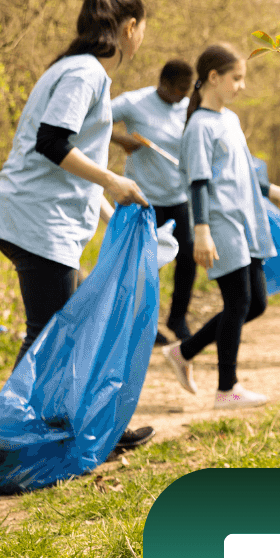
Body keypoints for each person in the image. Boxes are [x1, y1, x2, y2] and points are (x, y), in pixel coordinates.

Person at [0, 0, 154, 452]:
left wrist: (111, 206)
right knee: (49, 335)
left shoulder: (74, 69)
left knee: (63, 331)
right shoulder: (85, 74)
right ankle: (4, 442)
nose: (142, 40)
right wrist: (114, 181)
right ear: (130, 27)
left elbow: (68, 161)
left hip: (38, 217)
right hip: (37, 221)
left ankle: (78, 431)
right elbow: (53, 143)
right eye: (143, 30)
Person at [160, 45, 280, 408]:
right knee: (238, 301)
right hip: (220, 224)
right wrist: (202, 231)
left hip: (247, 221)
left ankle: (184, 352)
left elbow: (243, 176)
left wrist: (278, 192)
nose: (241, 85)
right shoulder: (198, 128)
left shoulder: (231, 120)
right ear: (213, 78)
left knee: (255, 304)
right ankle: (227, 388)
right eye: (236, 78)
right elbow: (199, 184)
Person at [112, 58, 198, 346]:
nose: (184, 95)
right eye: (180, 89)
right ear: (164, 84)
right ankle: (144, 325)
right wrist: (119, 139)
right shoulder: (134, 102)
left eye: (188, 89)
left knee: (188, 257)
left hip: (179, 196)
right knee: (149, 263)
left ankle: (178, 317)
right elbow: (93, 120)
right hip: (145, 199)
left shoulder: (186, 108)